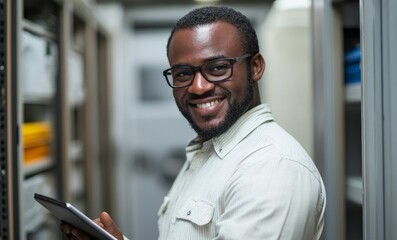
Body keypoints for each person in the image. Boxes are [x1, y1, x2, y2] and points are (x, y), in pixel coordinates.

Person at [61, 5, 326, 240]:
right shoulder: (209, 154)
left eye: (218, 67)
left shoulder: (271, 168)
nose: (198, 87)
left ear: (255, 67)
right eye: (183, 73)